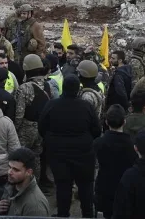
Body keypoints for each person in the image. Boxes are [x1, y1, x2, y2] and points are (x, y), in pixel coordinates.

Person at [38, 75, 101, 218]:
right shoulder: (86, 106)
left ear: (63, 88)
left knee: (63, 186)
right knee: (86, 186)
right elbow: (97, 130)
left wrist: (51, 140)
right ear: (78, 89)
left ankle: (63, 214)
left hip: (58, 153)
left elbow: (42, 127)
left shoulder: (52, 105)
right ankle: (87, 215)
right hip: (83, 153)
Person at [93, 105, 138, 219]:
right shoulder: (133, 145)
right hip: (126, 189)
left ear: (107, 122)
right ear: (124, 122)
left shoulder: (99, 143)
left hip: (104, 190)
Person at [14, 54, 50, 182]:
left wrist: (15, 129)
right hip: (40, 128)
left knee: (21, 159)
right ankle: (36, 184)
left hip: (25, 129)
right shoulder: (46, 85)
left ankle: (22, 185)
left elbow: (19, 114)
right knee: (36, 159)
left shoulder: (24, 88)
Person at [0, 147, 50, 217]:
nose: (9, 172)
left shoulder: (35, 206)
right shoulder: (11, 186)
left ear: (29, 172)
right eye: (9, 167)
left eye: (16, 170)